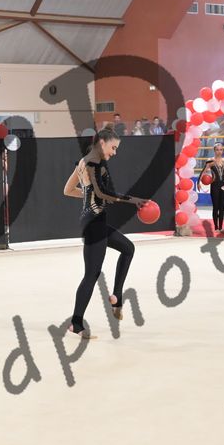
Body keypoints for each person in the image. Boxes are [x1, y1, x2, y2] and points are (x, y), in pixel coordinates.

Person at [63, 127, 147, 337]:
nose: (114, 152)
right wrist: (132, 200)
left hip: (94, 221)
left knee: (128, 248)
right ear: (102, 143)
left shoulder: (84, 162)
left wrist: (89, 195)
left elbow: (68, 190)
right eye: (113, 147)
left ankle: (117, 296)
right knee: (91, 274)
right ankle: (76, 323)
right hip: (94, 224)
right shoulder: (94, 163)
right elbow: (102, 192)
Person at [198, 142, 224, 231]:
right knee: (215, 206)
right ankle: (216, 226)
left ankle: (220, 226)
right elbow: (203, 172)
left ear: (223, 151)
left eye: (220, 150)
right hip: (215, 185)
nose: (219, 151)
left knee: (222, 207)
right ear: (214, 151)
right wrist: (198, 182)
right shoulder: (210, 161)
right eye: (217, 150)